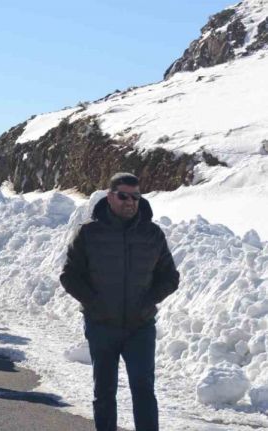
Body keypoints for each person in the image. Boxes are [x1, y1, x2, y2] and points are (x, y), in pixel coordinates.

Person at [60, 172, 180, 431]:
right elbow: (69, 276)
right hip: (102, 326)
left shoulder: (152, 234)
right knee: (104, 391)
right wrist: (94, 304)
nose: (130, 202)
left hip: (140, 326)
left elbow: (170, 277)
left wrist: (149, 303)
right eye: (124, 196)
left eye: (136, 197)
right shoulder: (89, 233)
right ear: (110, 196)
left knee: (143, 388)